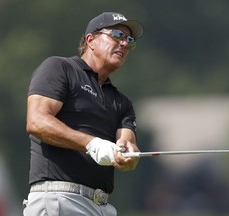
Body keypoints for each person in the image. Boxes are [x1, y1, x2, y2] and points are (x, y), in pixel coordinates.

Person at [23, 12, 144, 216]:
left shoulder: (122, 102)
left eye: (129, 40)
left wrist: (127, 154)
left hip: (102, 207)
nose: (124, 44)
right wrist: (92, 144)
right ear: (91, 40)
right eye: (117, 35)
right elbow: (36, 122)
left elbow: (128, 145)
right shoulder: (60, 68)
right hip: (60, 199)